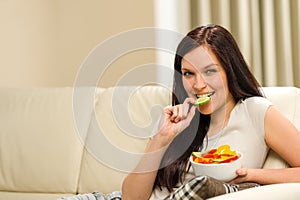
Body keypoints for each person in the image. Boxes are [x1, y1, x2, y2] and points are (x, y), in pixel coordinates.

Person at [122, 24, 300, 199]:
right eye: (188, 73)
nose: (198, 85)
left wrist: (249, 175)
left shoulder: (255, 111)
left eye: (210, 71)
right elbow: (130, 198)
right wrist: (161, 139)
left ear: (230, 71)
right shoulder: (175, 119)